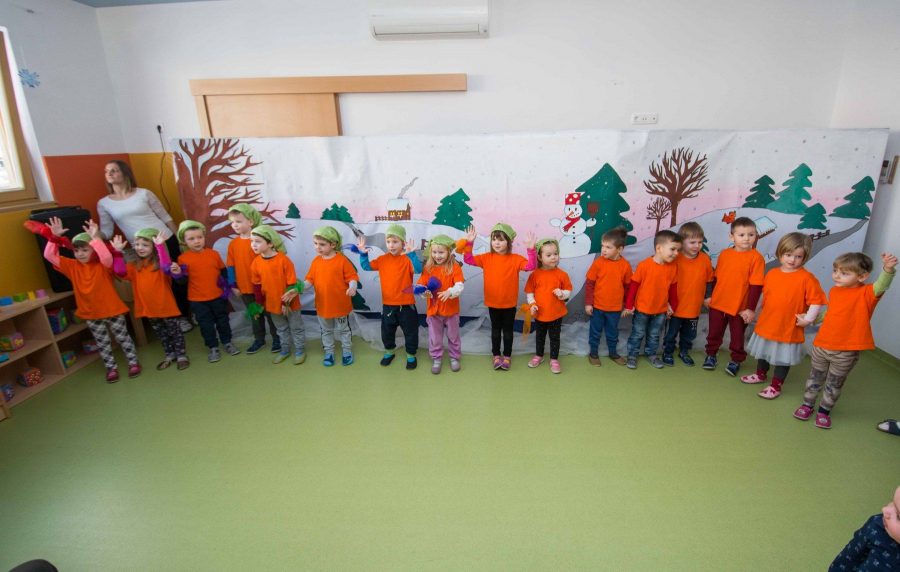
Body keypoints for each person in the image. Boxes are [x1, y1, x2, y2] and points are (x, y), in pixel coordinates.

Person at [794, 251, 896, 429]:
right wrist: (810, 319)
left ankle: (824, 411)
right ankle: (807, 404)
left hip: (845, 352)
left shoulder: (867, 293)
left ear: (862, 276)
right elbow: (830, 312)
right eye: (835, 271)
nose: (836, 276)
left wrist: (888, 269)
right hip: (822, 345)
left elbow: (881, 285)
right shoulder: (835, 291)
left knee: (834, 383)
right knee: (814, 377)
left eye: (844, 273)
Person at [96, 160, 191, 332]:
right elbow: (107, 231)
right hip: (141, 248)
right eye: (106, 171)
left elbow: (165, 217)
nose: (109, 174)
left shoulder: (144, 193)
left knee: (176, 278)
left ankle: (185, 315)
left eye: (114, 170)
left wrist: (179, 238)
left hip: (164, 239)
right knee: (156, 283)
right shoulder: (104, 203)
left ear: (125, 173)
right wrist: (95, 235)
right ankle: (169, 318)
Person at [43, 217, 140, 382]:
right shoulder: (72, 266)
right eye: (76, 250)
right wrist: (54, 238)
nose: (80, 254)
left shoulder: (103, 265)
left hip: (112, 310)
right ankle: (111, 368)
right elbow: (49, 256)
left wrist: (95, 239)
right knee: (102, 343)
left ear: (94, 250)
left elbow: (107, 258)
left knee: (123, 338)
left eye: (84, 250)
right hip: (91, 313)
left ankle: (133, 363)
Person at [740, 233, 826, 400]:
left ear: (804, 257)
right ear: (780, 253)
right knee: (764, 351)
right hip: (768, 322)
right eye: (788, 255)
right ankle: (760, 374)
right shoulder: (772, 274)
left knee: (782, 357)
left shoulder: (807, 278)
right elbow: (764, 297)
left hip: (788, 326)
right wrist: (753, 312)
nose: (792, 260)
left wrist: (808, 319)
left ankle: (775, 385)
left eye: (798, 256)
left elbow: (816, 301)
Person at [110, 228, 189, 371]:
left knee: (175, 332)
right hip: (149, 309)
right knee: (162, 334)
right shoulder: (134, 266)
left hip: (166, 307)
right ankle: (169, 354)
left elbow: (166, 267)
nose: (140, 248)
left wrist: (160, 246)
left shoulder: (160, 265)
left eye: (145, 245)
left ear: (153, 247)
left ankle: (181, 355)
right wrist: (117, 253)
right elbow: (120, 272)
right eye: (137, 244)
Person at [463, 223, 537, 370]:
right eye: (494, 239)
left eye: (501, 240)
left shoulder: (515, 259)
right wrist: (469, 243)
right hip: (493, 303)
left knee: (508, 332)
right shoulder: (486, 258)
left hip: (509, 304)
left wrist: (531, 249)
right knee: (495, 331)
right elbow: (468, 259)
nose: (497, 243)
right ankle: (496, 355)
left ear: (509, 242)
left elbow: (531, 266)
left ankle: (507, 356)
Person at [703, 217, 765, 377]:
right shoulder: (725, 254)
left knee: (737, 337)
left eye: (751, 234)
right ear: (732, 237)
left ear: (756, 236)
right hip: (718, 303)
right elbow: (716, 278)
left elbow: (756, 285)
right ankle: (711, 355)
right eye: (741, 235)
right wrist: (710, 296)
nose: (746, 238)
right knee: (714, 333)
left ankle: (736, 360)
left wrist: (750, 309)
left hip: (739, 307)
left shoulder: (756, 258)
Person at [171, 220, 240, 363]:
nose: (197, 241)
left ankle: (227, 342)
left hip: (218, 297)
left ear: (204, 237)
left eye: (199, 237)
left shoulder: (213, 254)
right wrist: (177, 274)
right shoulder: (182, 259)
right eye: (191, 239)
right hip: (197, 300)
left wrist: (231, 286)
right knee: (206, 325)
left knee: (223, 321)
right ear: (184, 241)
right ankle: (213, 347)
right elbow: (182, 282)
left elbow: (224, 272)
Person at [356, 224, 422, 370]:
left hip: (407, 305)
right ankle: (389, 352)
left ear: (403, 243)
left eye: (395, 242)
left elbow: (418, 270)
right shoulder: (382, 259)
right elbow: (366, 267)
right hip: (388, 305)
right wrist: (363, 254)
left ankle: (411, 355)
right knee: (387, 331)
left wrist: (412, 254)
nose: (391, 245)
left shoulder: (407, 259)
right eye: (388, 242)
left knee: (410, 332)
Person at [226, 204, 280, 354]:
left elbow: (271, 260)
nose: (235, 225)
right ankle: (259, 339)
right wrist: (233, 285)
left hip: (265, 287)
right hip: (246, 288)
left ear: (250, 221)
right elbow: (230, 265)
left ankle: (277, 338)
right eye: (232, 222)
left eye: (239, 221)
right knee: (255, 315)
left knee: (271, 313)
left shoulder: (258, 241)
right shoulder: (233, 244)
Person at [623, 230, 681, 370]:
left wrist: (672, 306)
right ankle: (632, 355)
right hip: (642, 309)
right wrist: (629, 305)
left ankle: (652, 354)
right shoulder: (644, 265)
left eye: (678, 250)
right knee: (638, 333)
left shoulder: (673, 267)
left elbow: (673, 289)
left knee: (654, 335)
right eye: (673, 249)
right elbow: (633, 287)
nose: (676, 253)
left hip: (660, 311)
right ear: (659, 248)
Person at [249, 225, 306, 365]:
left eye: (258, 241)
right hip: (272, 304)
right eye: (252, 241)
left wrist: (286, 304)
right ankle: (285, 350)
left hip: (290, 304)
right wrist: (258, 306)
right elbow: (257, 286)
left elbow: (291, 284)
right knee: (281, 329)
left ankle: (300, 350)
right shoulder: (256, 263)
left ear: (270, 243)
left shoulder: (283, 260)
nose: (253, 244)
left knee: (296, 327)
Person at [304, 226, 359, 367]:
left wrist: (352, 287)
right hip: (323, 305)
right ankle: (329, 352)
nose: (317, 247)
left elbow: (352, 277)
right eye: (315, 243)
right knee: (326, 330)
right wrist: (299, 288)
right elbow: (309, 280)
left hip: (340, 305)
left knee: (344, 330)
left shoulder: (342, 260)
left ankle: (347, 351)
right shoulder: (316, 261)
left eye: (322, 244)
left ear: (333, 244)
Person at [662, 222, 713, 367]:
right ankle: (668, 352)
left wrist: (707, 297)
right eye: (692, 242)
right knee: (671, 333)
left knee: (689, 334)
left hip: (694, 307)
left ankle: (684, 352)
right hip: (675, 307)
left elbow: (709, 280)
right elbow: (665, 281)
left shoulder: (705, 259)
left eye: (700, 242)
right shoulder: (674, 259)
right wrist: (666, 302)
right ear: (681, 241)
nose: (697, 245)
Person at [417, 234, 465, 375]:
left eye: (441, 252)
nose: (437, 256)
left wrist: (450, 292)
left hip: (451, 310)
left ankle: (454, 357)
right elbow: (421, 285)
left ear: (449, 252)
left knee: (453, 336)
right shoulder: (428, 268)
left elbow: (460, 285)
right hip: (434, 311)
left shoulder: (455, 267)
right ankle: (436, 358)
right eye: (434, 252)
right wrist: (424, 292)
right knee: (435, 337)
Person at [584, 227, 632, 366]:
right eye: (602, 246)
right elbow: (590, 284)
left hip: (615, 309)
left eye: (608, 247)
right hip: (597, 307)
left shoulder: (625, 266)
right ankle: (593, 353)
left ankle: (613, 353)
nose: (603, 250)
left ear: (620, 249)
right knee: (595, 332)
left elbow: (628, 288)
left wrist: (628, 305)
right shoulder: (598, 263)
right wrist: (588, 303)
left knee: (612, 332)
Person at [525, 238, 572, 374]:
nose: (553, 257)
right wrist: (532, 304)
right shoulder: (535, 275)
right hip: (540, 313)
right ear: (540, 257)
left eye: (555, 254)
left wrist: (562, 293)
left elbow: (568, 292)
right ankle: (539, 355)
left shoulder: (562, 274)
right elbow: (529, 293)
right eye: (549, 255)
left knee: (555, 337)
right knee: (539, 336)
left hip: (556, 313)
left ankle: (554, 359)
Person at [829, 486, 900, 570]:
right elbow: (846, 559)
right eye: (892, 502)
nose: (885, 509)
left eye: (898, 516)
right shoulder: (877, 527)